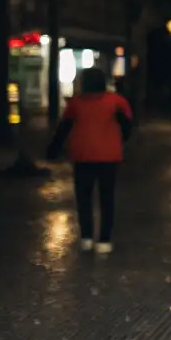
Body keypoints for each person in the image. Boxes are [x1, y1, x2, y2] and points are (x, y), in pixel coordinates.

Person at [47, 67, 133, 253]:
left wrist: (52, 150)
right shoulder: (116, 102)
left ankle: (86, 237)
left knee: (83, 198)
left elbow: (64, 128)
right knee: (106, 198)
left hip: (82, 155)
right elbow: (127, 127)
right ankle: (104, 239)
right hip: (109, 156)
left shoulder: (76, 103)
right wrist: (118, 140)